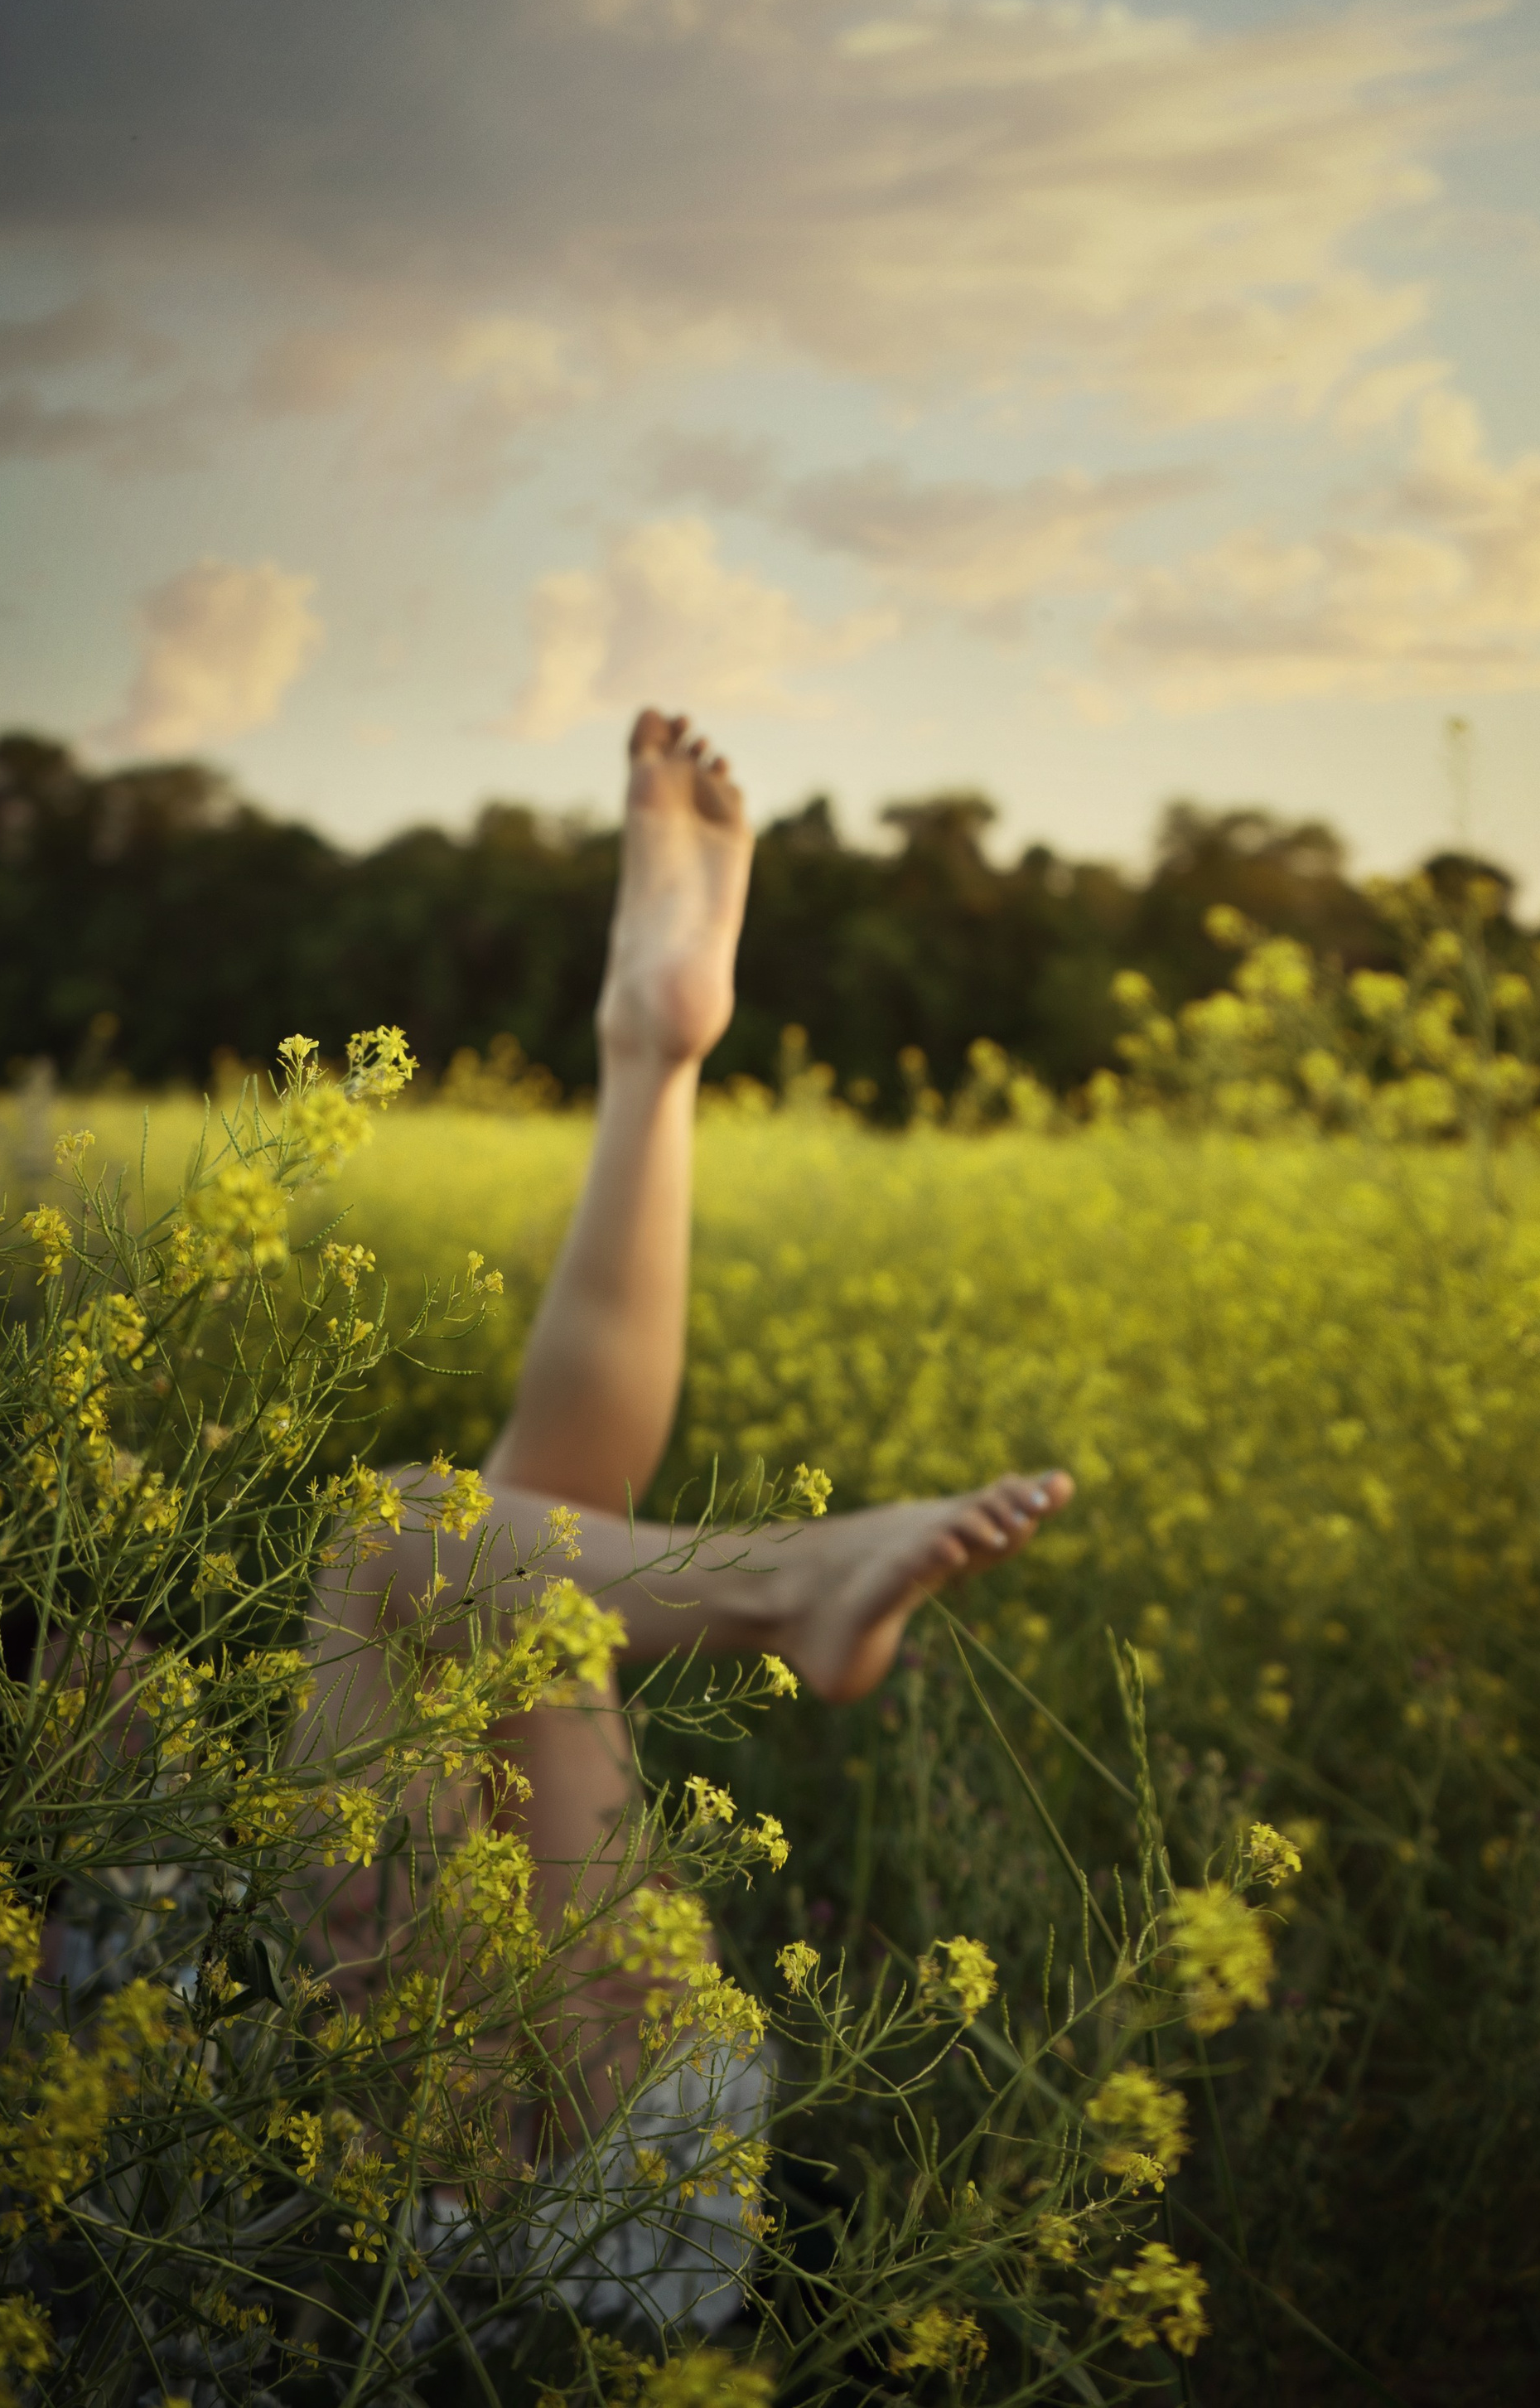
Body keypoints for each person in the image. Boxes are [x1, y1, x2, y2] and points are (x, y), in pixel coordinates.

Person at [298, 710, 1071, 2339]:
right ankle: (783, 1580)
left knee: (533, 1568)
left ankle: (650, 1057)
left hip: (552, 2185)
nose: (130, 1666)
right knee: (407, 1544)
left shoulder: (47, 1984)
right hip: (504, 2268)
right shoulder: (15, 2050)